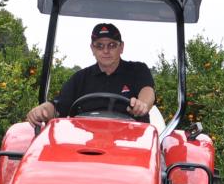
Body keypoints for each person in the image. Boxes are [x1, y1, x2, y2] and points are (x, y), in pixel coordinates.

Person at [26, 22, 156, 125]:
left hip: (131, 143)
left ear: (121, 47)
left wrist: (142, 104)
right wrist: (43, 109)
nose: (105, 51)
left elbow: (147, 91)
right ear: (92, 49)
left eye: (111, 45)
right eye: (99, 46)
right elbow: (57, 106)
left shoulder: (137, 70)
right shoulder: (80, 78)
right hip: (88, 143)